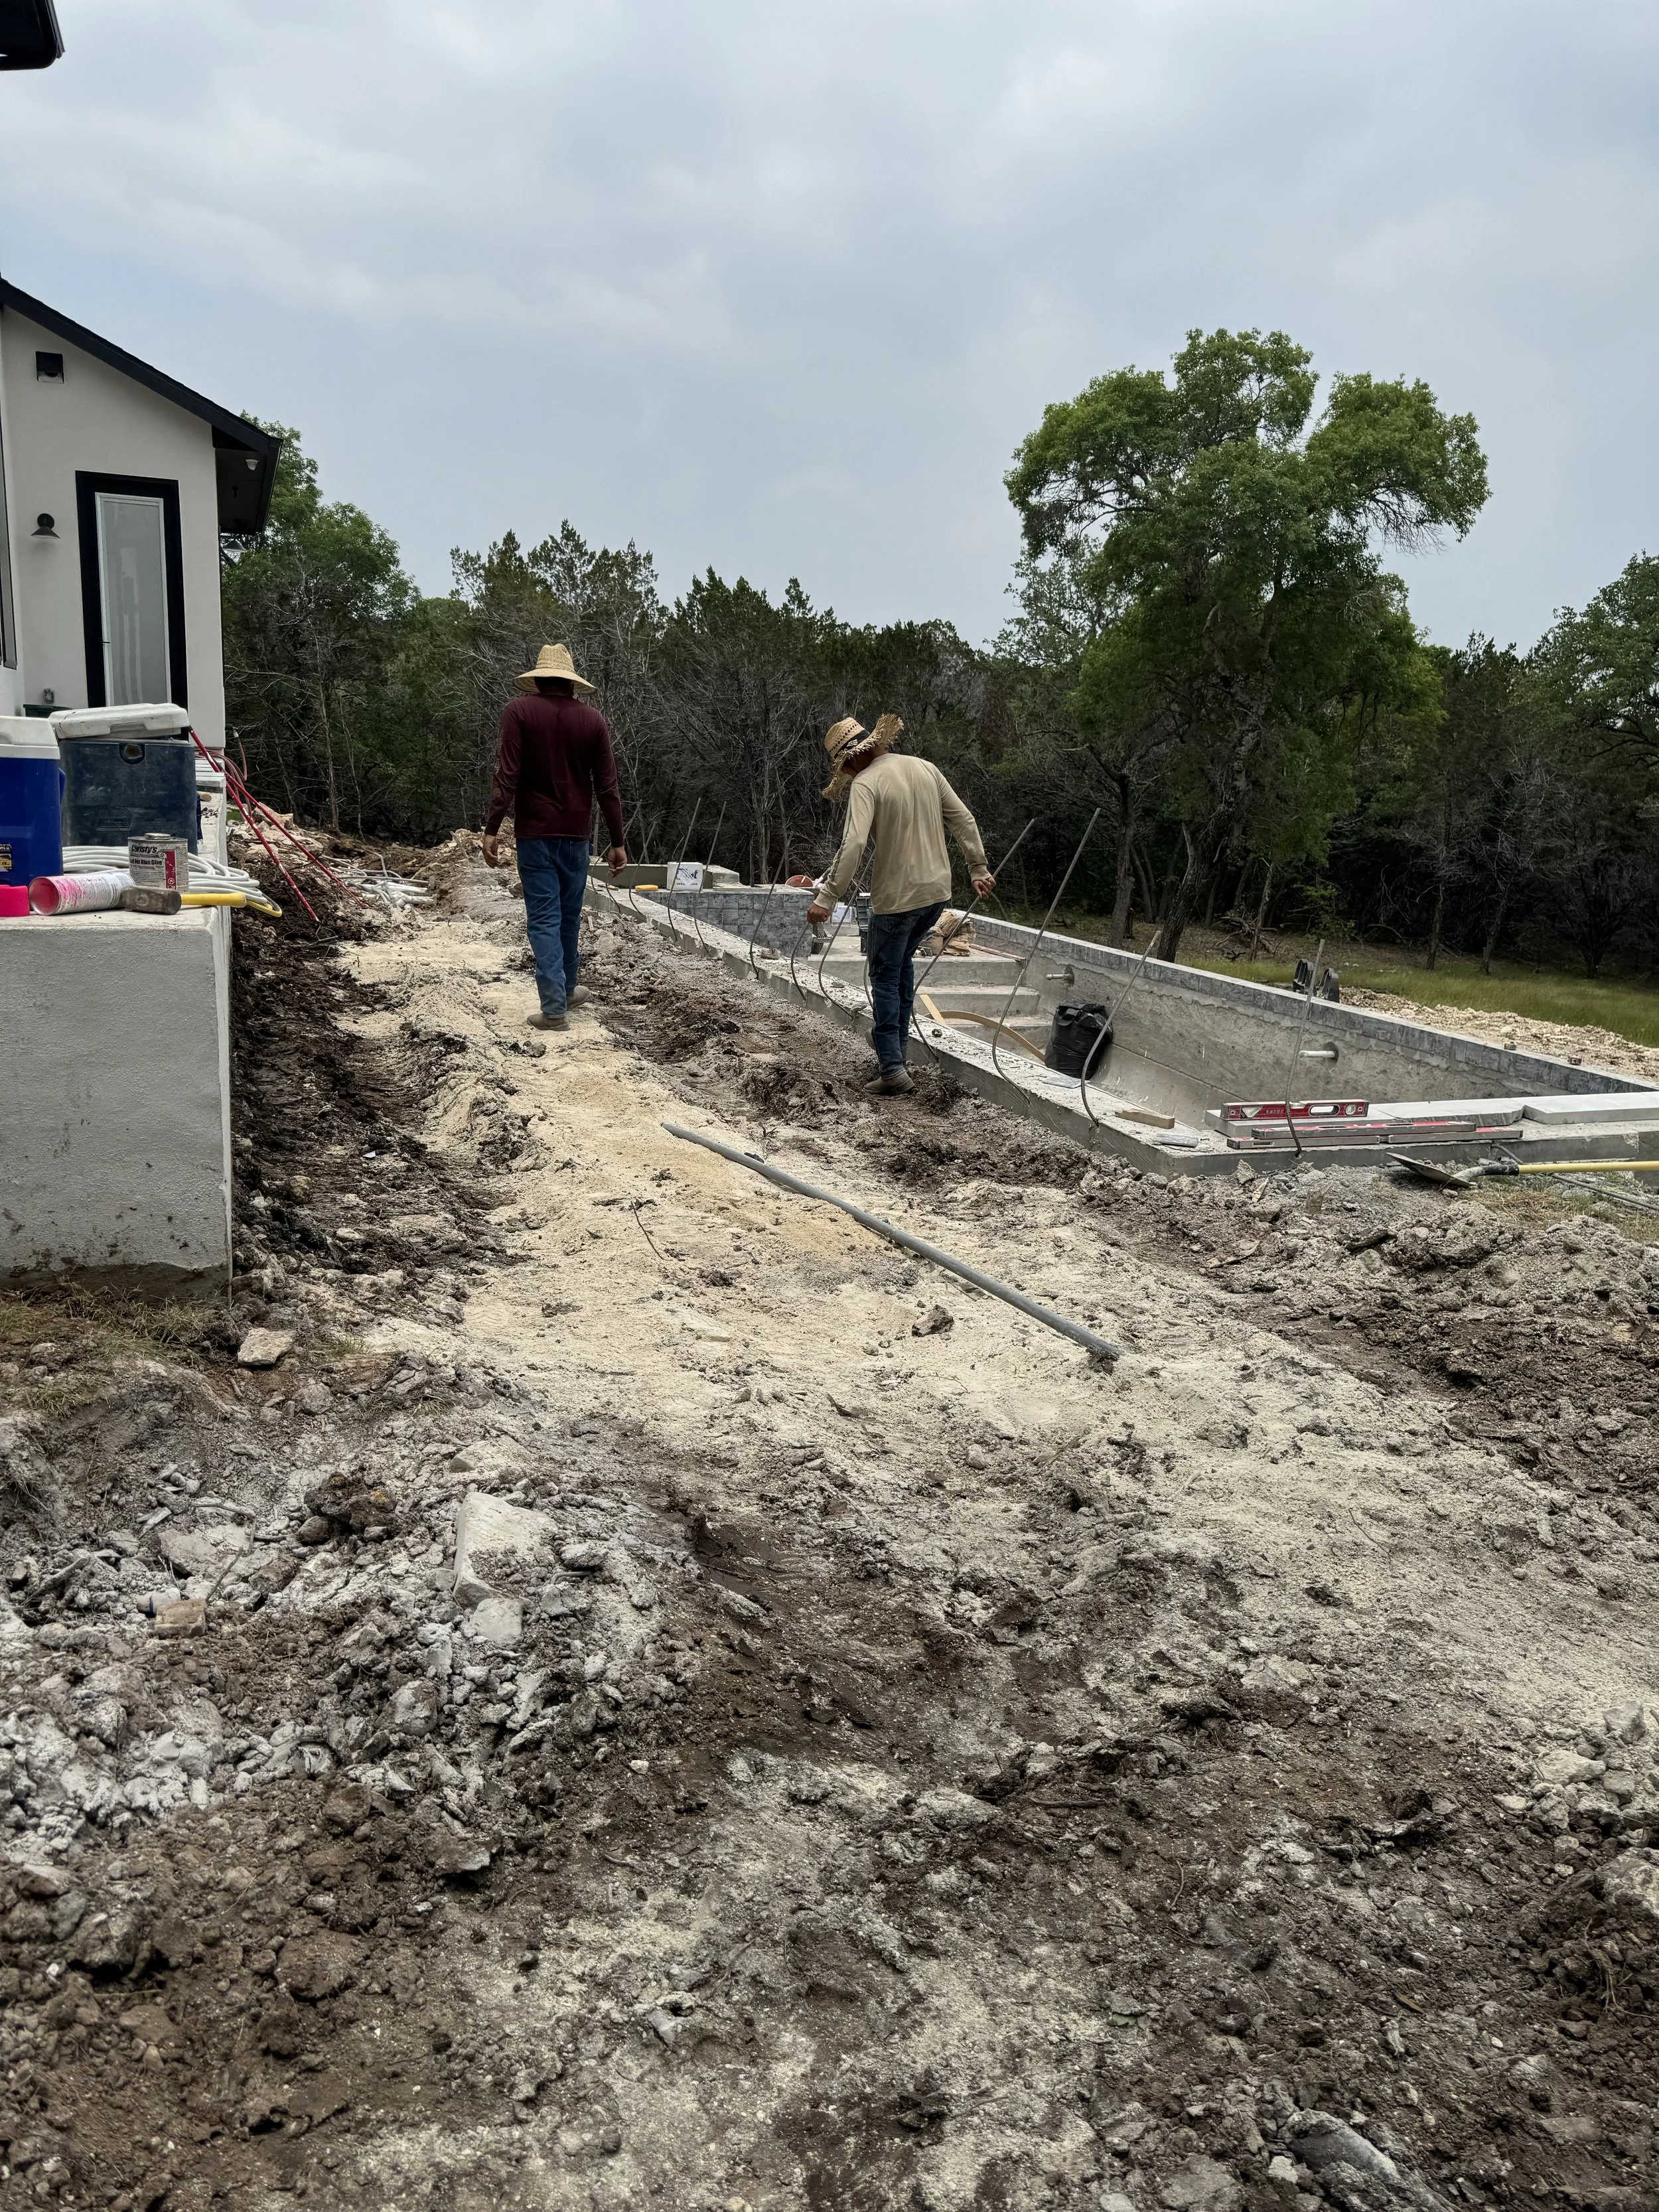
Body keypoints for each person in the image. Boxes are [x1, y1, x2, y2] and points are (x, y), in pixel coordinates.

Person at [806, 714, 994, 1095]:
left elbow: (854, 844)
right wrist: (977, 867)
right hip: (937, 896)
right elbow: (964, 819)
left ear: (853, 759)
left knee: (885, 977)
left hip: (897, 899)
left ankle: (892, 1068)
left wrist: (827, 897)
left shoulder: (865, 783)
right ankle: (897, 1052)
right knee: (902, 965)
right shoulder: (925, 768)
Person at [482, 643, 628, 1032]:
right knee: (567, 916)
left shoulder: (519, 712)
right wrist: (617, 841)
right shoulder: (593, 720)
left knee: (544, 918)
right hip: (577, 837)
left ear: (539, 679)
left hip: (535, 834)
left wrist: (493, 827)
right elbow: (608, 787)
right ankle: (565, 992)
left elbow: (507, 774)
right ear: (571, 683)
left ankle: (554, 1008)